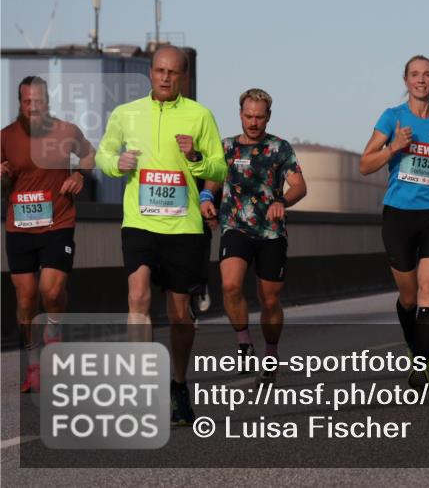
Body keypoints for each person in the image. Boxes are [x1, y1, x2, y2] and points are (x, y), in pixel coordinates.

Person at [95, 45, 227, 425]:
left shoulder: (199, 115)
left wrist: (197, 159)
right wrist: (116, 164)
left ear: (182, 77)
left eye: (173, 72)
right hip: (139, 222)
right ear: (150, 73)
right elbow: (103, 154)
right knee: (137, 295)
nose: (165, 78)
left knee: (179, 313)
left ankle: (179, 385)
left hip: (184, 226)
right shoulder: (126, 114)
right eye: (159, 71)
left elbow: (219, 167)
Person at [360, 55, 429, 390]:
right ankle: (412, 339)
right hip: (399, 213)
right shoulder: (392, 117)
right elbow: (364, 164)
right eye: (415, 75)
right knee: (410, 297)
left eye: (427, 74)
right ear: (406, 81)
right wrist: (393, 148)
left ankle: (420, 368)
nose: (421, 80)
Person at [200, 89, 307, 385]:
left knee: (269, 300)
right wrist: (207, 195)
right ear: (240, 114)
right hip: (235, 226)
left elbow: (299, 185)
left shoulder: (279, 148)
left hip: (271, 232)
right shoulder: (227, 147)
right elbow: (214, 177)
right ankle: (244, 343)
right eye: (248, 116)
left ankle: (271, 355)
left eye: (259, 117)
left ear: (268, 117)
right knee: (231, 285)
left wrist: (282, 202)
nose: (253, 122)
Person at [2, 76, 95, 393]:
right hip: (20, 227)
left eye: (38, 101)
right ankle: (33, 366)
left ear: (47, 101)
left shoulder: (66, 131)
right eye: (26, 102)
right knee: (26, 298)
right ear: (19, 102)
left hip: (58, 222)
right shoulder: (6, 137)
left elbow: (89, 155)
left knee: (52, 292)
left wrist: (80, 175)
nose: (32, 107)